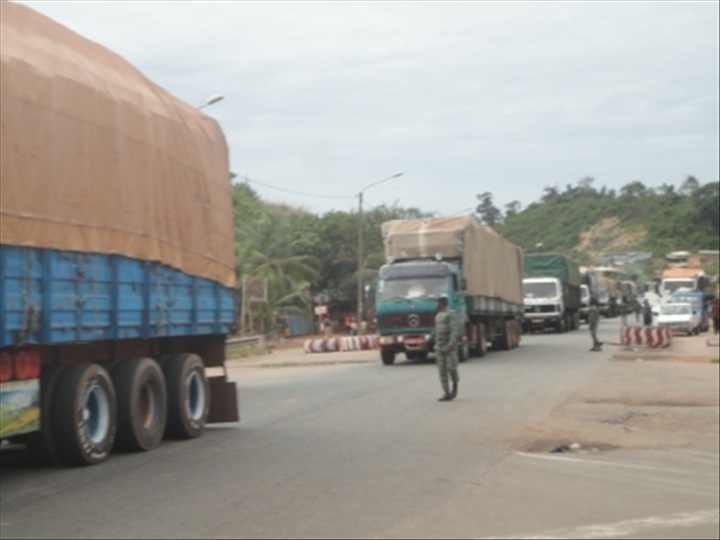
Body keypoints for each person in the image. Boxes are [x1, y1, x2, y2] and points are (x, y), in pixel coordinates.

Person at [432, 295, 459, 401]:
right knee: (442, 371)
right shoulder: (438, 316)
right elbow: (436, 330)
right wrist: (430, 337)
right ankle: (446, 392)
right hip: (439, 347)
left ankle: (455, 386)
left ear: (442, 303)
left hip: (449, 347)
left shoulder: (450, 314)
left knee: (451, 368)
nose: (436, 305)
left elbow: (454, 331)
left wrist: (450, 345)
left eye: (438, 302)